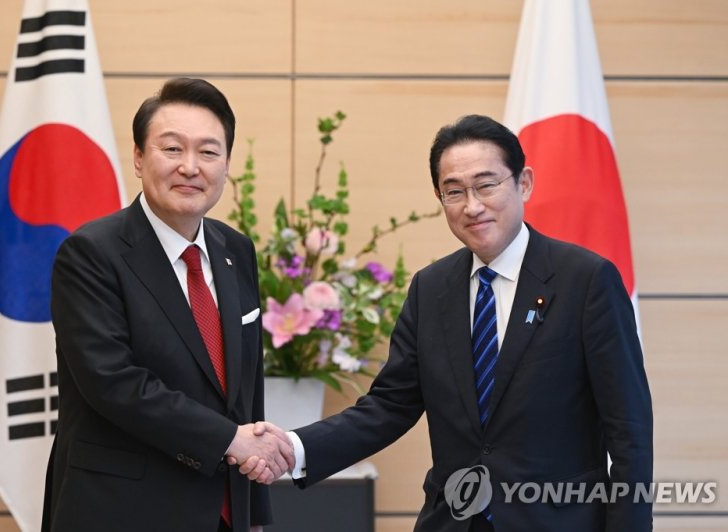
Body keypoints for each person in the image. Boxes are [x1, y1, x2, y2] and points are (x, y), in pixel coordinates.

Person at [240, 114, 653, 531]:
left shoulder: (586, 281)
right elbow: (389, 406)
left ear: (523, 183)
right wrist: (293, 448)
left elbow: (629, 431)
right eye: (454, 191)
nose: (472, 206)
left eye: (486, 185)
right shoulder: (431, 289)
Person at [41, 77, 293, 532]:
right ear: (139, 158)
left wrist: (253, 513)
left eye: (209, 152)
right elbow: (114, 383)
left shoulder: (236, 250)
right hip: (122, 511)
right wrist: (230, 441)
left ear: (227, 164)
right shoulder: (91, 253)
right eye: (172, 149)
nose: (190, 167)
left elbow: (245, 394)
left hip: (222, 512)